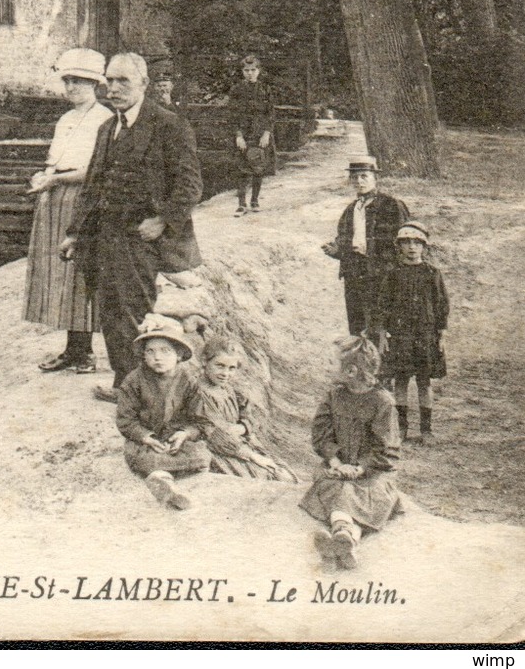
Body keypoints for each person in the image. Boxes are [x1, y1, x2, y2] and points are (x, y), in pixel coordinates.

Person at [61, 52, 203, 401]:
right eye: (110, 80)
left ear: (143, 84)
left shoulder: (168, 124)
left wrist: (162, 220)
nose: (114, 88)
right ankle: (125, 385)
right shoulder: (107, 128)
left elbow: (190, 185)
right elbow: (94, 185)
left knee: (134, 311)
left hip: (140, 238)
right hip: (102, 238)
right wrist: (74, 232)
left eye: (123, 81)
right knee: (110, 310)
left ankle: (147, 391)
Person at [26, 48, 114, 374]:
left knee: (80, 272)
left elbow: (95, 169)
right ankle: (71, 349)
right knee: (60, 275)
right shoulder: (65, 119)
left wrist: (55, 179)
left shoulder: (104, 118)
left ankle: (86, 351)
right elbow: (54, 161)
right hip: (54, 197)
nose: (73, 88)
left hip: (82, 199)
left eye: (80, 82)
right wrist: (43, 175)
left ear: (95, 85)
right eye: (69, 82)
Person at [301, 335, 402, 570]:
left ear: (351, 371)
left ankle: (343, 535)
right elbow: (321, 435)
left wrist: (359, 468)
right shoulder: (333, 396)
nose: (326, 367)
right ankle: (346, 539)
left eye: (330, 362)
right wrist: (336, 462)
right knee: (335, 485)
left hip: (372, 471)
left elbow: (387, 450)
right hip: (338, 466)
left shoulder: (382, 402)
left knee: (363, 492)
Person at [114, 314, 211, 509]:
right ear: (144, 356)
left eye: (165, 351)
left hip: (174, 441)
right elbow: (126, 420)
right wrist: (145, 437)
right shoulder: (134, 381)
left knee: (202, 456)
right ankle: (162, 481)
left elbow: (201, 421)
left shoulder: (188, 381)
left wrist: (184, 434)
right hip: (147, 442)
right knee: (143, 458)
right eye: (150, 352)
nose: (157, 357)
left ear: (179, 355)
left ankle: (164, 477)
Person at [369, 221, 449, 443]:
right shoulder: (393, 274)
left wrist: (441, 334)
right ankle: (402, 427)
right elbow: (383, 304)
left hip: (425, 334)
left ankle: (426, 429)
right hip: (401, 334)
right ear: (399, 247)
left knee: (424, 381)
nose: (412, 247)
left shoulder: (432, 274)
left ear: (424, 247)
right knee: (401, 380)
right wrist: (383, 333)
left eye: (417, 243)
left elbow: (442, 304)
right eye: (407, 243)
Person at [188, 334, 297, 482]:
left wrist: (243, 427)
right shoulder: (199, 393)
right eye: (220, 366)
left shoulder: (227, 389)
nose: (225, 373)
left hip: (239, 444)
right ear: (204, 362)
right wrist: (253, 456)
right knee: (269, 477)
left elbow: (248, 414)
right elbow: (215, 434)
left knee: (284, 472)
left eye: (231, 368)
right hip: (219, 450)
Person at [322, 157, 408, 336]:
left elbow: (403, 241)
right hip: (354, 273)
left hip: (380, 274)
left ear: (375, 178)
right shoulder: (352, 208)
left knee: (382, 326)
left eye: (364, 176)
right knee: (357, 325)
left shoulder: (391, 205)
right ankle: (361, 361)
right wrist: (337, 250)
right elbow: (345, 239)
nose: (359, 181)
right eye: (355, 177)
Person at [228, 55, 277, 216]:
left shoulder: (265, 89)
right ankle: (241, 204)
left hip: (260, 133)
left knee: (258, 167)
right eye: (246, 70)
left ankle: (254, 200)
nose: (250, 73)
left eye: (253, 70)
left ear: (259, 71)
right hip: (243, 133)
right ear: (242, 72)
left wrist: (266, 133)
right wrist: (238, 135)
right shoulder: (236, 90)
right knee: (241, 168)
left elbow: (270, 113)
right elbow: (232, 115)